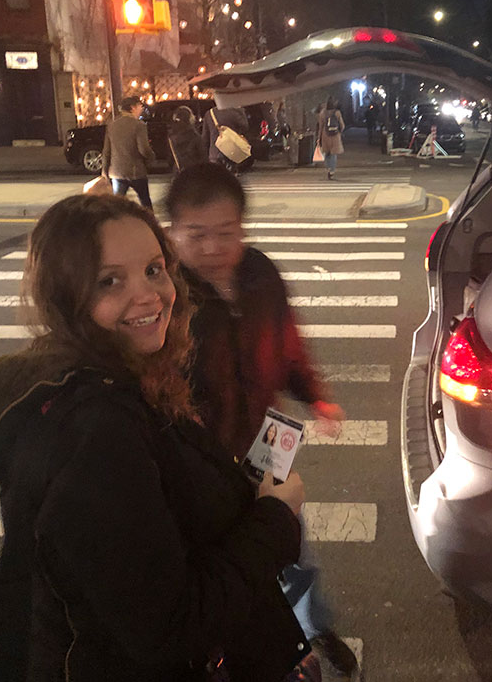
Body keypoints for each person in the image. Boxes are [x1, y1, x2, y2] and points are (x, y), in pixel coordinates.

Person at [0, 193, 310, 682]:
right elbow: (168, 626)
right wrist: (274, 518)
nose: (149, 295)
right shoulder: (94, 430)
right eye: (109, 281)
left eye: (154, 269)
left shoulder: (128, 378)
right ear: (66, 297)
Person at [165, 162, 361, 681]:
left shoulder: (260, 274)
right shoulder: (166, 298)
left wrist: (315, 396)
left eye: (225, 233)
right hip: (202, 465)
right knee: (233, 563)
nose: (212, 248)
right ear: (173, 234)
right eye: (196, 235)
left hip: (263, 443)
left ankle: (312, 632)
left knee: (293, 549)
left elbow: (287, 342)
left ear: (243, 228)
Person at [103, 96, 154, 209]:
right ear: (133, 108)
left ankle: (116, 224)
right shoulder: (139, 125)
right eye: (140, 106)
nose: (141, 108)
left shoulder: (112, 125)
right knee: (145, 201)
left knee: (117, 204)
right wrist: (151, 158)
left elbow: (107, 150)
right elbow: (144, 149)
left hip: (116, 171)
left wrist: (104, 170)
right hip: (136, 170)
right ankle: (150, 224)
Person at [202, 103, 251, 171]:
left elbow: (205, 137)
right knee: (230, 178)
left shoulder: (210, 113)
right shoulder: (236, 111)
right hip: (232, 151)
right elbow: (245, 127)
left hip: (214, 153)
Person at [167, 105, 208, 171]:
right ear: (190, 119)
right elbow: (203, 158)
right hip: (194, 172)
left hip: (179, 173)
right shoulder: (195, 137)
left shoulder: (172, 138)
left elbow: (170, 160)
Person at [317, 97, 345, 179]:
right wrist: (340, 131)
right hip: (335, 135)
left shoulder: (322, 113)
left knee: (327, 152)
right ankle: (332, 170)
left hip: (325, 135)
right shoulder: (337, 113)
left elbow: (321, 126)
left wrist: (319, 137)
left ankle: (328, 167)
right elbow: (342, 125)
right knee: (334, 153)